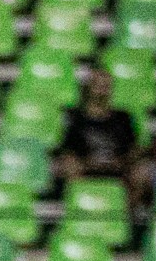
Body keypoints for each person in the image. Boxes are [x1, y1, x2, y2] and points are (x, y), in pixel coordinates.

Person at [55, 71, 150, 201]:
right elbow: (67, 149)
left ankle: (122, 215)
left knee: (142, 170)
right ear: (88, 87)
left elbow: (134, 148)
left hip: (118, 166)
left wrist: (123, 161)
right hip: (85, 167)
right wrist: (88, 162)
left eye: (106, 86)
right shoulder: (75, 117)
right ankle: (80, 205)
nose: (102, 90)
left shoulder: (123, 117)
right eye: (98, 85)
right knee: (69, 164)